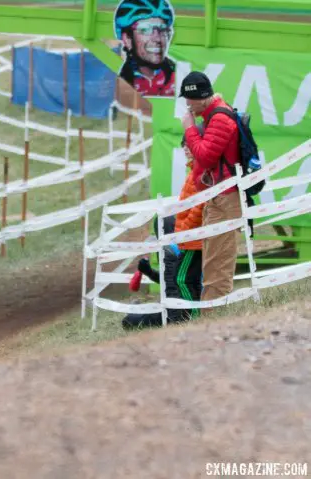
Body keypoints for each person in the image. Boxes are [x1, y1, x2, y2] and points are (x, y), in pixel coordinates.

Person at [125, 130, 205, 328]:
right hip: (169, 309)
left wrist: (183, 229)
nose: (185, 148)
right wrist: (149, 271)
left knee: (130, 320)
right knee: (132, 318)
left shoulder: (180, 250)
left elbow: (181, 282)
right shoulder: (169, 252)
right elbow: (168, 282)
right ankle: (140, 310)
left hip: (175, 314)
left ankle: (192, 317)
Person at [180, 70, 241, 306]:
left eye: (188, 98)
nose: (186, 104)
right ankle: (212, 313)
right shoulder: (213, 116)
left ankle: (216, 317)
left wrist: (189, 128)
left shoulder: (220, 119)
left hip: (225, 197)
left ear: (201, 97)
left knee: (218, 264)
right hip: (217, 195)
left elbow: (205, 157)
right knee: (212, 262)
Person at [113, 0, 176, 97]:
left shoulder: (180, 76)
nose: (157, 38)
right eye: (145, 30)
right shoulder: (116, 83)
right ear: (127, 39)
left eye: (162, 29)